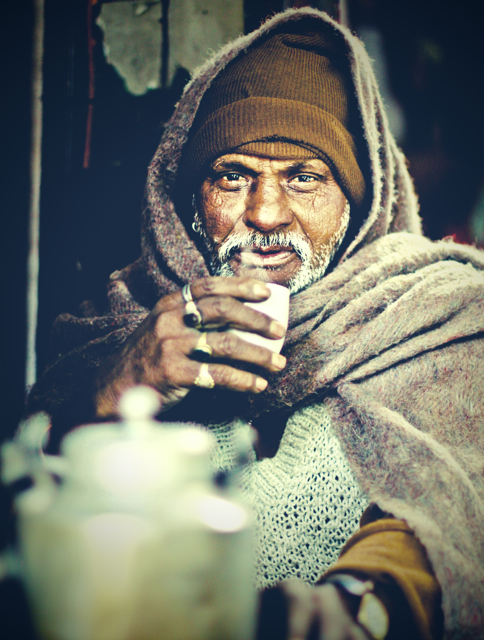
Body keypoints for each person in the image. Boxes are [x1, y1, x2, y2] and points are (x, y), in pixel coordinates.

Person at [25, 7, 484, 640]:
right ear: (188, 200)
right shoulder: (124, 323)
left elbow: (454, 500)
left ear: (360, 198)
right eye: (233, 176)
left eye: (304, 177)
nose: (266, 213)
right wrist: (116, 385)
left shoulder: (439, 320)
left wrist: (362, 601)